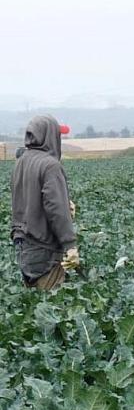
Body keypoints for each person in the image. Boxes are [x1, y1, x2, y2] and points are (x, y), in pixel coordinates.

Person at [10, 115, 79, 290]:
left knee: (32, 304)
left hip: (22, 244)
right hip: (44, 246)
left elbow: (30, 198)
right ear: (49, 136)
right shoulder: (50, 165)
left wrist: (65, 202)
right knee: (49, 306)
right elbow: (55, 208)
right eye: (58, 134)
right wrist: (70, 245)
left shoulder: (21, 162)